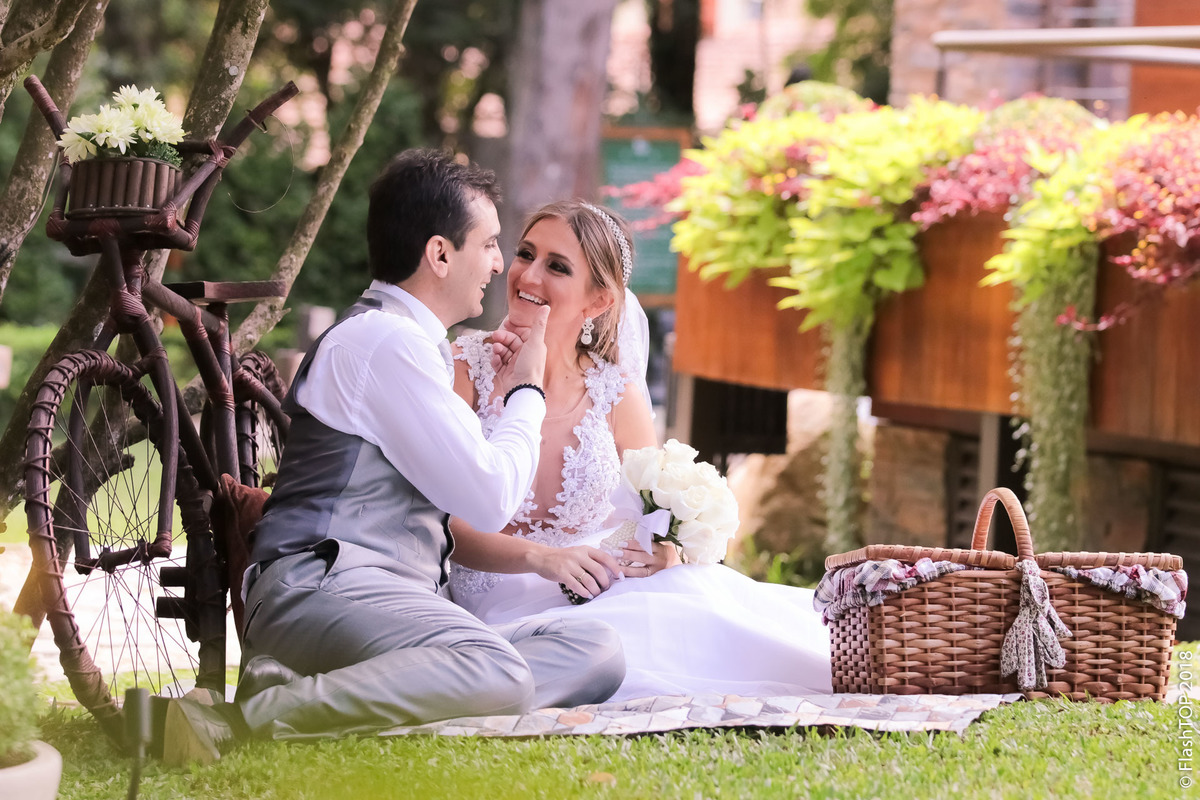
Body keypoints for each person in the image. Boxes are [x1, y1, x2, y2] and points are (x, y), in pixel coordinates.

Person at [162, 151, 626, 766]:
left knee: (599, 651)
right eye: (491, 245)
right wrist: (527, 390)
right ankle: (242, 719)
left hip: (397, 604)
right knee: (500, 673)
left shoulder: (412, 346)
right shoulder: (383, 343)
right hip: (321, 589)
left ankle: (325, 690)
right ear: (440, 255)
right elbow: (491, 498)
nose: (498, 264)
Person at [447, 201, 832, 702]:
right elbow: (439, 523)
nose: (528, 275)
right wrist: (544, 558)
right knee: (631, 635)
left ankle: (858, 664)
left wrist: (658, 550)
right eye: (525, 254)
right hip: (500, 595)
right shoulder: (463, 368)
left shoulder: (614, 390)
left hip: (597, 582)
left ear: (598, 301)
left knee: (697, 601)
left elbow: (642, 515)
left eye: (557, 266)